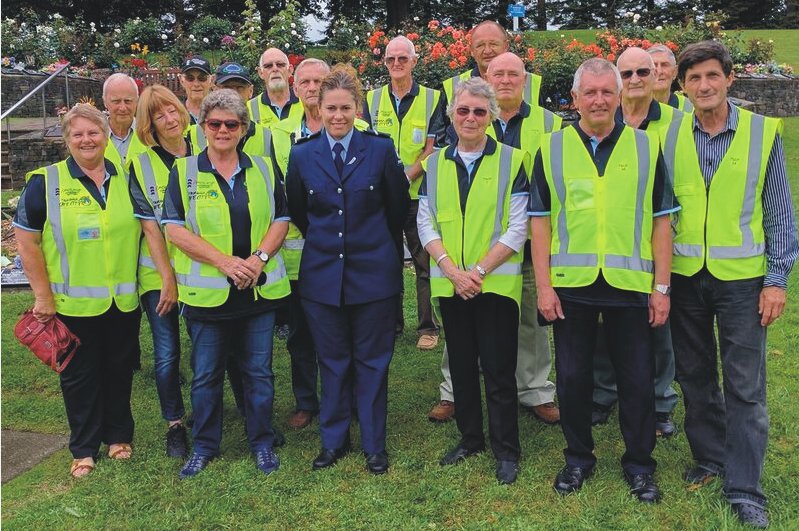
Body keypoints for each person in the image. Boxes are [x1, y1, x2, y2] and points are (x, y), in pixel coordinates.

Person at [529, 58, 678, 503]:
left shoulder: (646, 149)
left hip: (630, 284)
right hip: (571, 285)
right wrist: (543, 286)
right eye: (588, 92)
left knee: (637, 378)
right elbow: (540, 223)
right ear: (573, 99)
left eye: (606, 92)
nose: (598, 100)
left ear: (619, 97)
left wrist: (662, 287)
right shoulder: (550, 148)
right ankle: (578, 458)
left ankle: (639, 465)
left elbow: (662, 223)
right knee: (573, 378)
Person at [669, 41, 797, 528]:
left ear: (728, 80)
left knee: (745, 386)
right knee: (695, 376)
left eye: (711, 76)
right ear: (683, 86)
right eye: (694, 78)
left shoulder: (762, 134)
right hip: (685, 280)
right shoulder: (672, 136)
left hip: (744, 281)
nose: (703, 86)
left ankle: (745, 489)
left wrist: (777, 280)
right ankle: (710, 458)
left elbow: (779, 210)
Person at [13, 103, 174, 478]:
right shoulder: (45, 183)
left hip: (122, 299)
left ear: (105, 136)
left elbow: (148, 227)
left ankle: (118, 436)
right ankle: (84, 448)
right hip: (72, 303)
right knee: (80, 376)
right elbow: (27, 242)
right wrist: (42, 296)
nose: (87, 140)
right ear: (66, 140)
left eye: (93, 133)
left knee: (119, 369)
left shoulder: (122, 177)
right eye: (78, 134)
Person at [285, 65, 410, 475]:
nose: (338, 116)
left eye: (345, 108)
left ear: (358, 108)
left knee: (373, 362)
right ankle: (334, 441)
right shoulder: (302, 154)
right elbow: (301, 213)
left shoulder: (379, 148)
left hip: (373, 275)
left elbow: (395, 210)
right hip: (322, 279)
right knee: (333, 361)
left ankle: (375, 445)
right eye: (331, 108)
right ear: (318, 108)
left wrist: (371, 248)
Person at [161, 89, 291, 479]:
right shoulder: (183, 172)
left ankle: (262, 442)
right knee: (205, 376)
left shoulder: (264, 168)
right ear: (202, 128)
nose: (222, 130)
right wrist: (224, 262)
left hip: (256, 290)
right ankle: (204, 446)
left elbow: (281, 219)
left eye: (231, 124)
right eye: (214, 123)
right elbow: (173, 228)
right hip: (208, 296)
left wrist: (258, 259)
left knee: (259, 373)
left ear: (243, 129)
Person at [429, 52, 561, 425]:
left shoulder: (548, 122)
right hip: (467, 253)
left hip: (531, 238)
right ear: (486, 77)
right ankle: (455, 389)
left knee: (529, 320)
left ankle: (534, 390)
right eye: (497, 73)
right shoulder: (473, 115)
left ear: (525, 79)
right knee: (461, 325)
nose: (505, 79)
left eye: (512, 74)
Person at [418, 77, 529, 484]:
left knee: (499, 368)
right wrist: (450, 270)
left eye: (479, 112)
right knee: (462, 366)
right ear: (451, 115)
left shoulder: (513, 161)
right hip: (451, 283)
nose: (470, 117)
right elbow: (425, 221)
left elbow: (517, 230)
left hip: (494, 285)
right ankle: (470, 438)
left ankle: (506, 448)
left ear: (491, 117)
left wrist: (478, 272)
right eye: (462, 110)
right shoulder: (434, 163)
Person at [589, 47, 683, 437]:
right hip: (612, 243)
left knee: (659, 326)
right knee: (600, 325)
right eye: (626, 74)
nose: (637, 79)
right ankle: (603, 393)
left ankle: (660, 402)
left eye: (645, 71)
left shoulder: (678, 124)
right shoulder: (604, 122)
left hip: (662, 239)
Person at [364, 35, 445, 349]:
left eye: (402, 58)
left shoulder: (432, 98)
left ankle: (428, 327)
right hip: (382, 198)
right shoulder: (371, 100)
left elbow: (432, 148)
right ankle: (391, 324)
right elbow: (366, 145)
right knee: (387, 262)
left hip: (418, 195)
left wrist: (405, 177)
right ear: (384, 63)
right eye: (390, 59)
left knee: (425, 262)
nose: (396, 64)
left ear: (414, 60)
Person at [128, 85, 193, 458]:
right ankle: (174, 424)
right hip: (159, 275)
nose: (169, 120)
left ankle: (207, 411)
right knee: (167, 353)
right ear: (148, 124)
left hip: (202, 271)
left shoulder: (204, 147)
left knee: (206, 351)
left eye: (172, 110)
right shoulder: (140, 164)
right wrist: (167, 280)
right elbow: (151, 228)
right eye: (158, 115)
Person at [441, 20, 542, 108]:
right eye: (480, 45)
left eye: (493, 44)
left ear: (506, 46)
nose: (487, 51)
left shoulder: (532, 84)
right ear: (471, 50)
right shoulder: (452, 87)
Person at [189, 62, 273, 159]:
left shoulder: (267, 136)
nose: (233, 94)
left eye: (239, 88)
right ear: (215, 89)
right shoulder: (194, 134)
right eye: (227, 87)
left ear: (250, 91)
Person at [248, 48, 304, 129]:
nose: (275, 69)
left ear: (290, 70)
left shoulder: (305, 102)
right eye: (268, 66)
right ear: (261, 73)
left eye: (280, 65)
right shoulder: (249, 109)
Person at [102, 73, 148, 166]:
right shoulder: (93, 137)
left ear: (137, 101)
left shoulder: (150, 133)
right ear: (105, 102)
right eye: (116, 101)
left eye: (128, 101)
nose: (123, 108)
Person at [648, 44, 694, 112]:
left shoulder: (691, 108)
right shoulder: (631, 107)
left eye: (664, 65)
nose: (659, 71)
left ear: (675, 72)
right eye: (654, 65)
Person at [179, 56, 214, 124]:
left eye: (202, 78)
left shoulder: (221, 112)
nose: (196, 84)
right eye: (190, 78)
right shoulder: (175, 113)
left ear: (211, 81)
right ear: (181, 81)